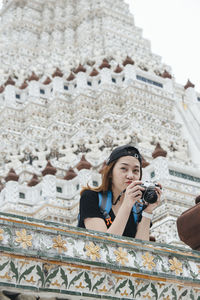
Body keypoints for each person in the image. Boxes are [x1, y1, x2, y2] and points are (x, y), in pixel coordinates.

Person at [78, 145, 162, 240]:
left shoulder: (138, 209)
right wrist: (127, 204)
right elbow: (104, 244)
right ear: (110, 173)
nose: (130, 176)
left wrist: (148, 211)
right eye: (124, 169)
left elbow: (142, 250)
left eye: (135, 171)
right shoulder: (91, 197)